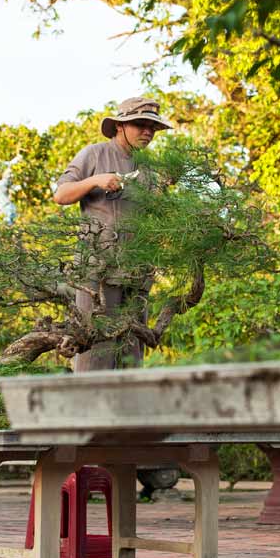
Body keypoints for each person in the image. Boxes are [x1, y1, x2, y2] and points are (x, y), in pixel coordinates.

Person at [53, 96, 172, 371]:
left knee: (131, 356)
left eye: (152, 128)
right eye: (140, 125)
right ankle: (86, 412)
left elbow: (159, 219)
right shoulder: (94, 154)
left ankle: (128, 412)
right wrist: (96, 180)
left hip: (137, 273)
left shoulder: (150, 167)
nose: (147, 132)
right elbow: (61, 194)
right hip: (97, 272)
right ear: (120, 126)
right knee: (95, 353)